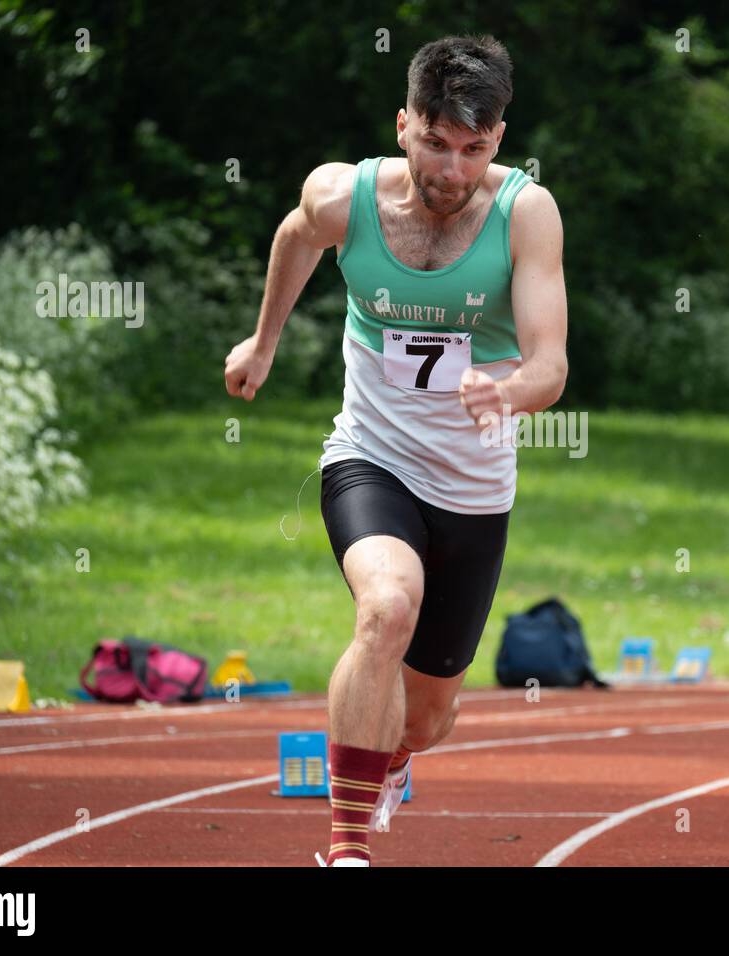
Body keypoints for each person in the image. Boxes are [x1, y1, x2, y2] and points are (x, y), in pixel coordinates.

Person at [224, 35, 568, 866]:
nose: (452, 170)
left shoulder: (526, 213)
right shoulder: (346, 196)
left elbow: (551, 362)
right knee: (384, 609)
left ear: (499, 139)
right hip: (370, 457)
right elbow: (295, 236)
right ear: (404, 123)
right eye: (436, 144)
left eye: (474, 150)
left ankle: (398, 758)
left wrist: (509, 390)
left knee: (428, 718)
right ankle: (346, 848)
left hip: (475, 485)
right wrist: (263, 340)